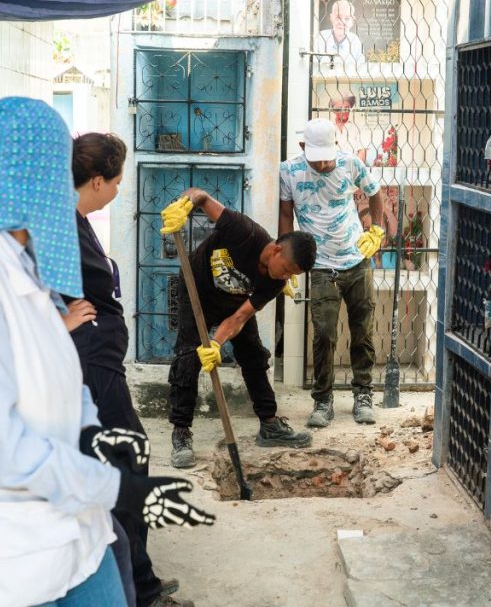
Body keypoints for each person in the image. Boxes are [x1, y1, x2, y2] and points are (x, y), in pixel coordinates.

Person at [0, 97, 213, 607]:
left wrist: (90, 433)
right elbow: (0, 446)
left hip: (64, 533)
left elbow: (61, 373)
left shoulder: (18, 262)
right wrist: (122, 490)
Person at [66, 132, 190, 607]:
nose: (119, 190)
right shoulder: (59, 223)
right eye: (116, 182)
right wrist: (64, 322)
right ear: (96, 180)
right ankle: (141, 590)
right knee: (126, 461)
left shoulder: (74, 219)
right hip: (91, 360)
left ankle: (138, 577)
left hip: (99, 358)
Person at [162, 188, 317, 468]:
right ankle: (181, 432)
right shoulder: (244, 231)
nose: (285, 276)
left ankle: (269, 424)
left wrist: (216, 344)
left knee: (254, 356)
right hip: (197, 289)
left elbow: (240, 317)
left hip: (233, 304)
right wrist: (183, 205)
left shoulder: (275, 282)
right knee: (188, 357)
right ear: (277, 249)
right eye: (286, 269)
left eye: (292, 275)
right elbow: (202, 196)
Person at [279, 118, 384, 428]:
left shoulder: (350, 164)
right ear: (302, 148)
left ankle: (363, 394)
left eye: (328, 155)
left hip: (357, 260)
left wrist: (376, 231)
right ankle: (323, 400)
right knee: (324, 334)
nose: (324, 163)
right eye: (317, 157)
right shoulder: (289, 172)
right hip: (321, 266)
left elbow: (375, 194)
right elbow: (286, 218)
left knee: (362, 330)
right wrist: (286, 266)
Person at [317, 0, 366, 65]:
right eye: (338, 17)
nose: (342, 22)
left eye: (347, 18)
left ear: (352, 21)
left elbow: (360, 68)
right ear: (331, 18)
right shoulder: (320, 38)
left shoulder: (355, 41)